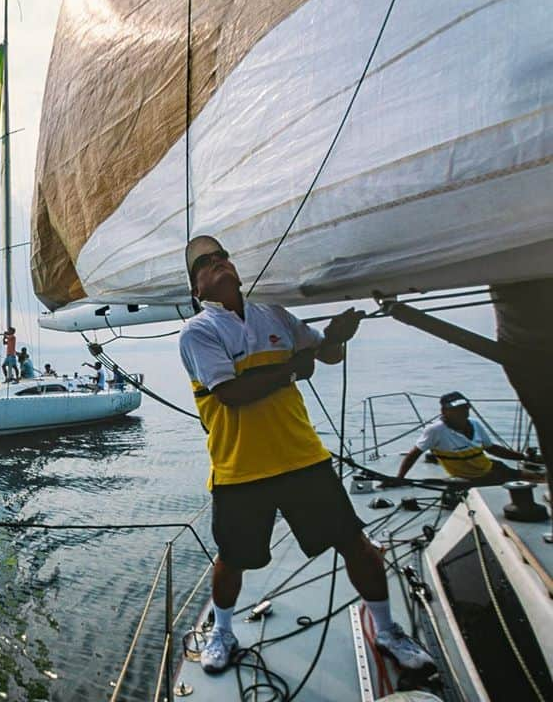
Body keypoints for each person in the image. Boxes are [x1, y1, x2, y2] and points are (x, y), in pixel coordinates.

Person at [178, 235, 432, 675]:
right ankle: (221, 630)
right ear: (195, 289)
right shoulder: (198, 332)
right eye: (204, 262)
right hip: (240, 469)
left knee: (355, 542)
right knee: (232, 559)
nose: (217, 262)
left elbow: (325, 356)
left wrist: (335, 338)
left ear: (236, 270)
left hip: (302, 457)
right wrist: (298, 363)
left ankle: (387, 629)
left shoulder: (274, 315)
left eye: (222, 256)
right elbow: (234, 394)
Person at [395, 391, 542, 484]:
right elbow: (415, 453)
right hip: (471, 477)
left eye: (465, 408)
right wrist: (399, 478)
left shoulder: (475, 424)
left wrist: (524, 457)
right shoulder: (435, 430)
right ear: (444, 411)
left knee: (540, 478)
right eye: (457, 409)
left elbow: (492, 449)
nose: (463, 412)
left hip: (492, 468)